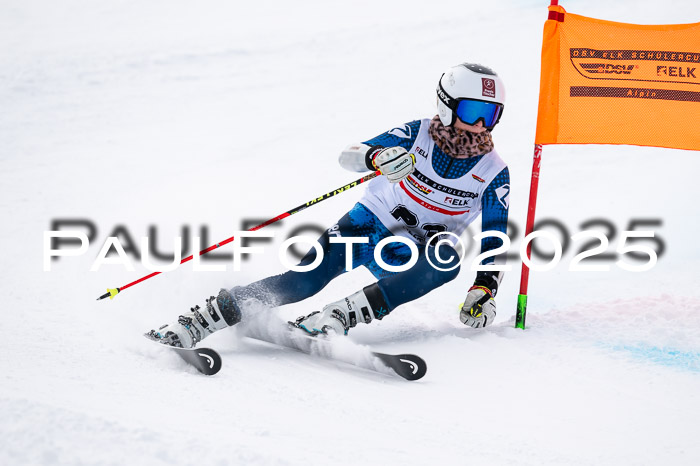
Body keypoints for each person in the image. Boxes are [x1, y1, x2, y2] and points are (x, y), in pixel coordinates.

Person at [147, 63, 511, 348]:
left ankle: (339, 316)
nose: (480, 126)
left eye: (490, 114)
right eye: (471, 110)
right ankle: (202, 319)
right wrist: (377, 157)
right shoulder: (414, 134)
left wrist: (485, 287)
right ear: (446, 106)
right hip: (366, 227)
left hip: (409, 257)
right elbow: (348, 155)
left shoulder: (493, 170)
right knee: (302, 282)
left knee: (447, 259)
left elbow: (495, 234)